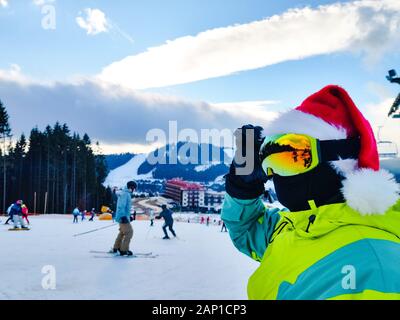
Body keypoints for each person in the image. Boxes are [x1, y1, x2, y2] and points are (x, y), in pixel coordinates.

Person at [222, 85, 400, 300]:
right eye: (272, 161)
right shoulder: (295, 227)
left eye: (291, 157)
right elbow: (246, 229)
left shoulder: (372, 265)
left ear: (339, 162)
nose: (276, 175)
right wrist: (242, 188)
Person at [111, 181, 137, 256]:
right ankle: (124, 250)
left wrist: (128, 217)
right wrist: (123, 216)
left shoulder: (125, 193)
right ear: (130, 187)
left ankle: (116, 247)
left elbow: (125, 208)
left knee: (122, 232)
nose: (134, 190)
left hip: (123, 217)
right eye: (134, 188)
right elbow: (121, 206)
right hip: (122, 217)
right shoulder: (125, 194)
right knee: (129, 232)